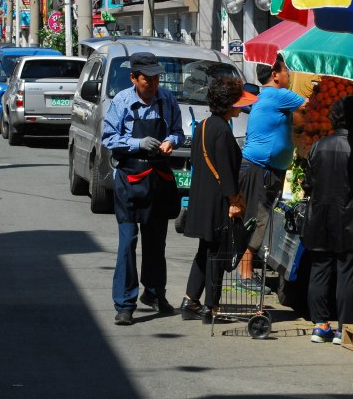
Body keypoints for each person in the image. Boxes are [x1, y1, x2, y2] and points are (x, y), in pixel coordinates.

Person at [102, 52, 185, 326]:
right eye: (146, 79)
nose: (152, 84)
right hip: (129, 177)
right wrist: (138, 144)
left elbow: (177, 131)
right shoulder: (121, 102)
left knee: (156, 241)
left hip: (158, 176)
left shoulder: (168, 100)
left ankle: (155, 292)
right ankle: (125, 303)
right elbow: (109, 138)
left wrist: (171, 140)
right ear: (133, 78)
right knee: (128, 242)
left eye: (156, 78)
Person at [302, 96, 353, 344]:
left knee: (319, 271)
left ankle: (319, 325)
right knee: (346, 272)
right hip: (350, 220)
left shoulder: (318, 146)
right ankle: (343, 329)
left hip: (319, 218)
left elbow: (308, 183)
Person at [181, 77, 257, 322]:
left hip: (201, 198)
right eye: (237, 102)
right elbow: (225, 170)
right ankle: (210, 307)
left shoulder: (203, 125)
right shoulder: (223, 130)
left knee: (205, 248)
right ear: (228, 105)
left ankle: (190, 299)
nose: (240, 107)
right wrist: (234, 200)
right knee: (216, 252)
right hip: (218, 202)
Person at [237, 56, 307, 291]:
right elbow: (309, 105)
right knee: (257, 219)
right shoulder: (278, 95)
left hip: (264, 167)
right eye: (286, 70)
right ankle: (245, 274)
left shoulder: (269, 97)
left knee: (258, 218)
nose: (289, 75)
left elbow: (298, 119)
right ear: (275, 75)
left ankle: (245, 270)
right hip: (261, 168)